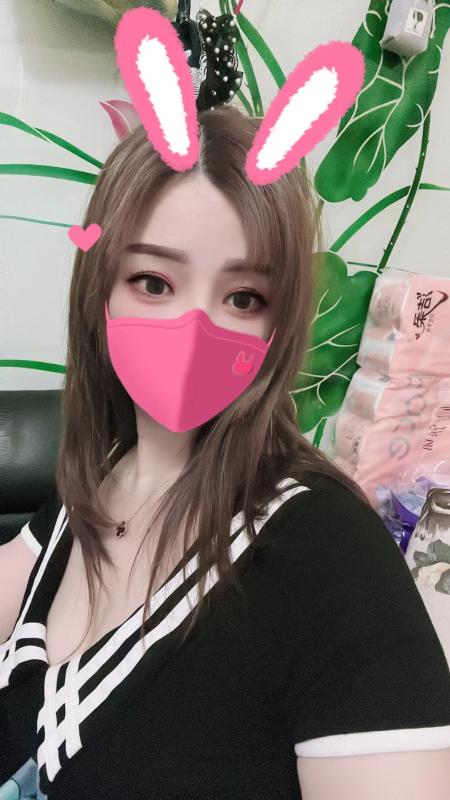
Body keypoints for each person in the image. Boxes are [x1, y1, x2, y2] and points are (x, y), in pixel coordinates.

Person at [1, 105, 450, 800]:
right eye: (153, 283)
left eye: (243, 297)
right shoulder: (95, 479)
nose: (195, 331)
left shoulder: (329, 552)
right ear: (99, 291)